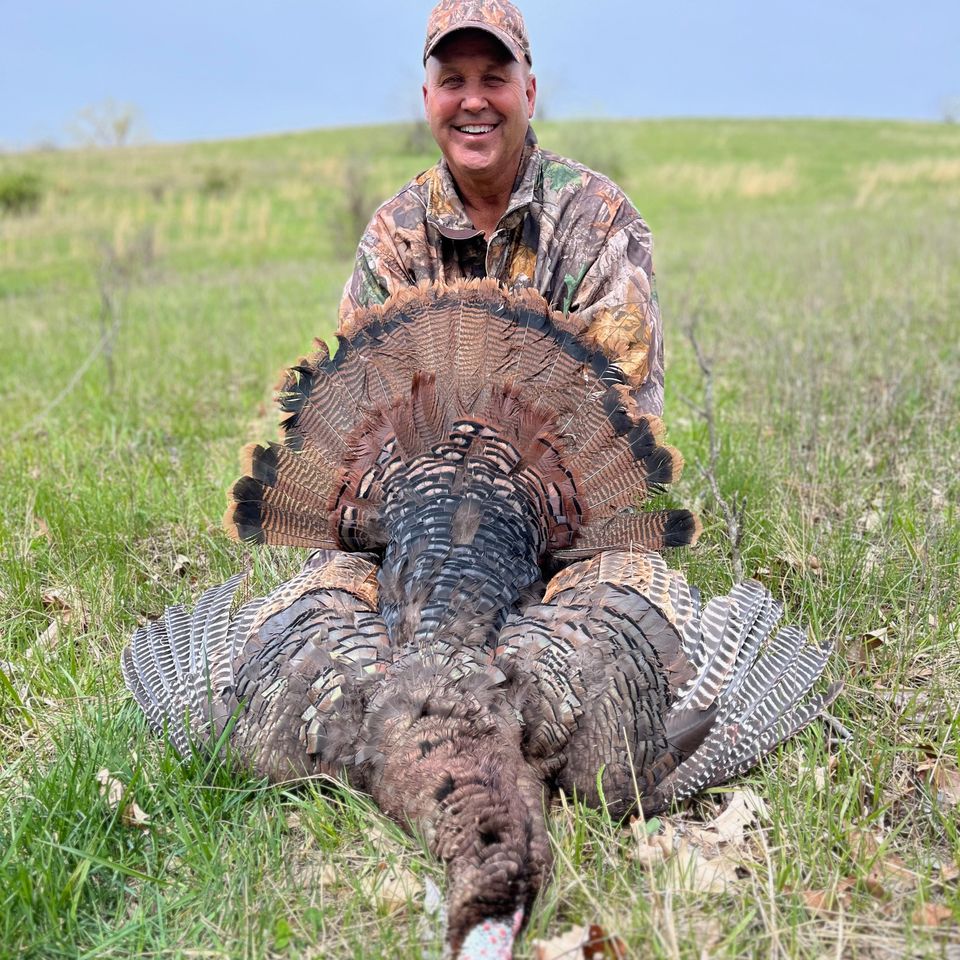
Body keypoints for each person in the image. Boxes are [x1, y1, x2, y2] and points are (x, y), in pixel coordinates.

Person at [338, 0, 664, 415]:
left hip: (560, 458)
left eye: (493, 79)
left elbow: (621, 416)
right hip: (418, 459)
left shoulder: (600, 222)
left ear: (529, 94)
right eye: (453, 81)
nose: (474, 102)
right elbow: (363, 410)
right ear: (427, 99)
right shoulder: (393, 237)